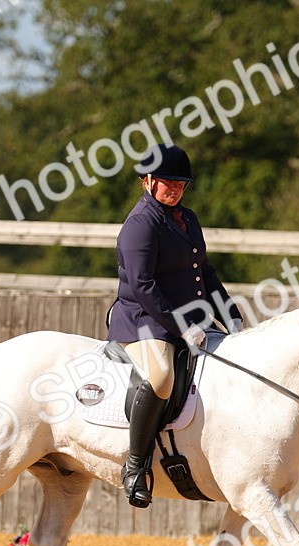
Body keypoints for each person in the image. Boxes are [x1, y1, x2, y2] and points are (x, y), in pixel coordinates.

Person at [106, 143, 244, 508]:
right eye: (167, 182)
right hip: (144, 321)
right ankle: (135, 467)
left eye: (181, 183)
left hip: (189, 319)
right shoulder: (140, 225)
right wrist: (183, 326)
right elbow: (143, 285)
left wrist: (230, 315)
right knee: (163, 375)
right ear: (147, 182)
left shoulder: (188, 218)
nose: (175, 189)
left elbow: (205, 273)